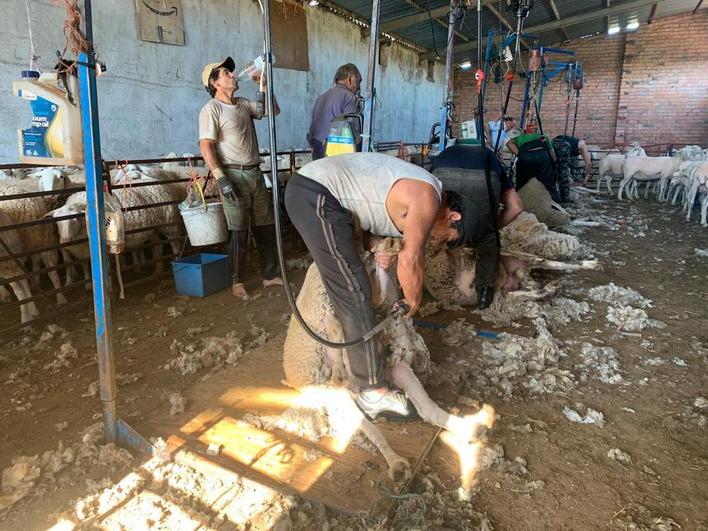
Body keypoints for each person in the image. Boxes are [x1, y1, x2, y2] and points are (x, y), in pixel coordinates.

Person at [285, 152, 475, 419]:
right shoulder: (428, 198)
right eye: (447, 236)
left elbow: (367, 214)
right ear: (452, 216)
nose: (439, 239)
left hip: (326, 198)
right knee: (354, 291)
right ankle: (372, 393)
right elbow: (411, 257)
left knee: (357, 287)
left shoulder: (424, 190)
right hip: (316, 195)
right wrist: (413, 299)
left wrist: (376, 245)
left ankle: (364, 369)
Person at [198, 56, 283, 299]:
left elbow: (271, 111)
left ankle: (269, 275)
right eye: (226, 73)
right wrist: (221, 179)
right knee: (238, 231)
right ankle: (237, 280)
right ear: (215, 82)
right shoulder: (211, 110)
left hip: (255, 173)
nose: (233, 75)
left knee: (265, 226)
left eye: (231, 72)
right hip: (233, 175)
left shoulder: (243, 104)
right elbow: (206, 146)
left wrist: (263, 85)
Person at [430, 143, 524, 308]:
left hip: (443, 172)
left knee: (438, 228)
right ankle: (484, 296)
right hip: (485, 176)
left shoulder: (446, 152)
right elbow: (516, 206)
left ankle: (423, 275)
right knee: (487, 238)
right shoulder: (491, 157)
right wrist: (491, 227)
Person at [307, 63, 362, 160]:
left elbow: (312, 130)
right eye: (359, 81)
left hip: (318, 153)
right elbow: (353, 132)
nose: (359, 87)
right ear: (350, 79)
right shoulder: (349, 97)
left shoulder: (321, 98)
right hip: (336, 157)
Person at [507, 129, 560, 203]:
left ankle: (518, 202)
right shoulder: (543, 136)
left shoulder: (519, 138)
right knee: (548, 182)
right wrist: (554, 165)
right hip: (541, 156)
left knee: (522, 181)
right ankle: (554, 201)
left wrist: (519, 154)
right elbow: (553, 155)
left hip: (525, 156)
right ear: (535, 132)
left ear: (525, 133)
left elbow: (508, 143)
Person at [553, 134, 592, 199]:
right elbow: (588, 163)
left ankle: (559, 189)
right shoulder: (583, 145)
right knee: (564, 171)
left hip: (554, 142)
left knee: (558, 168)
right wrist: (587, 177)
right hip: (563, 145)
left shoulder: (575, 144)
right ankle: (565, 197)